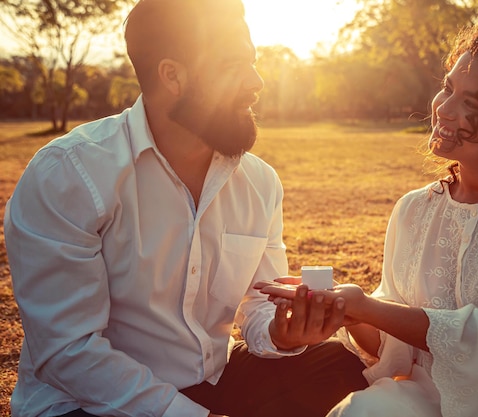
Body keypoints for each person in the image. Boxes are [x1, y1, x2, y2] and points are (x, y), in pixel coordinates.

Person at [4, 0, 368, 416]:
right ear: (172, 75)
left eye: (252, 62)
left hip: (210, 383)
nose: (256, 82)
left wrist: (283, 333)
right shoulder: (69, 173)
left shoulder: (259, 181)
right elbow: (68, 352)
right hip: (88, 404)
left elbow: (260, 303)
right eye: (233, 65)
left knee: (337, 367)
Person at [257, 18, 478, 417]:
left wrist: (367, 307)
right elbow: (392, 347)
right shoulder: (414, 208)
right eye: (447, 88)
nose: (442, 108)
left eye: (470, 103)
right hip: (418, 401)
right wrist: (345, 309)